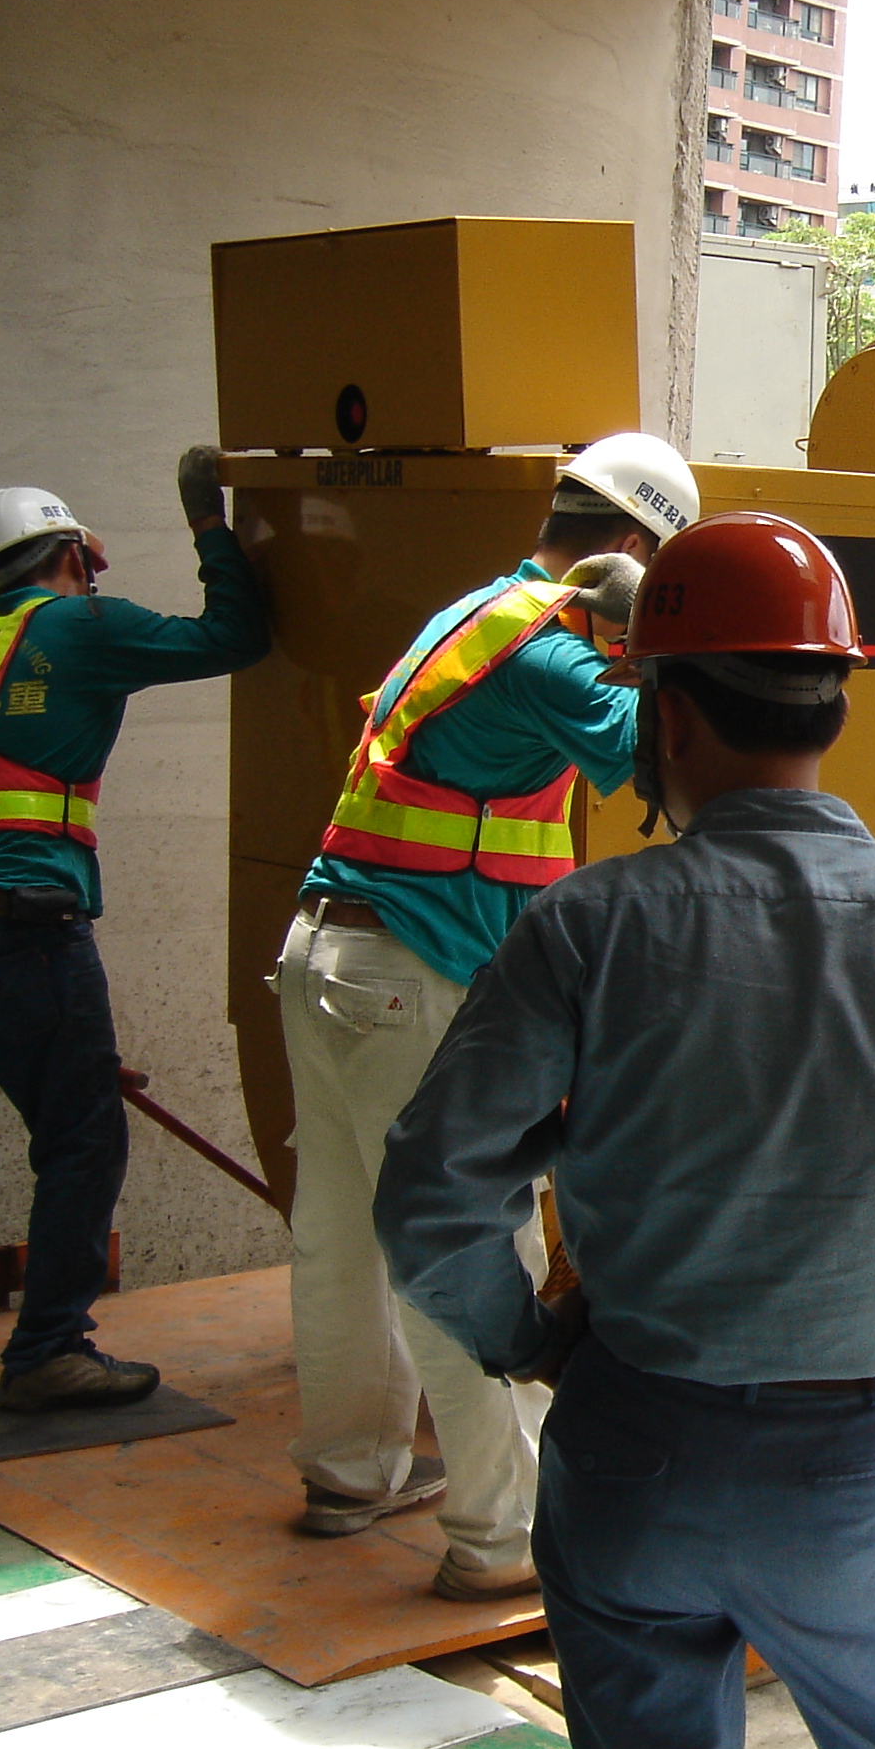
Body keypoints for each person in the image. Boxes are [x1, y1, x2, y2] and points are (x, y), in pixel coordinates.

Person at [376, 511, 875, 1749]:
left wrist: (531, 1339)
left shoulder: (583, 930)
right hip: (856, 1454)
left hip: (630, 1446)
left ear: (667, 720)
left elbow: (434, 1196)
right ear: (834, 708)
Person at [274, 431, 694, 1596]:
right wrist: (659, 645)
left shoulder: (470, 613)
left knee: (347, 1235)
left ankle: (352, 1473)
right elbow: (658, 759)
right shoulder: (547, 650)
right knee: (467, 1244)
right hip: (414, 972)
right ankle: (504, 1538)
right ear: (623, 547)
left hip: (324, 956)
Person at [0, 461, 268, 1411]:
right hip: (28, 929)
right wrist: (209, 521)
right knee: (83, 1137)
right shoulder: (83, 626)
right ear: (78, 553)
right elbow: (236, 636)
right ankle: (48, 1350)